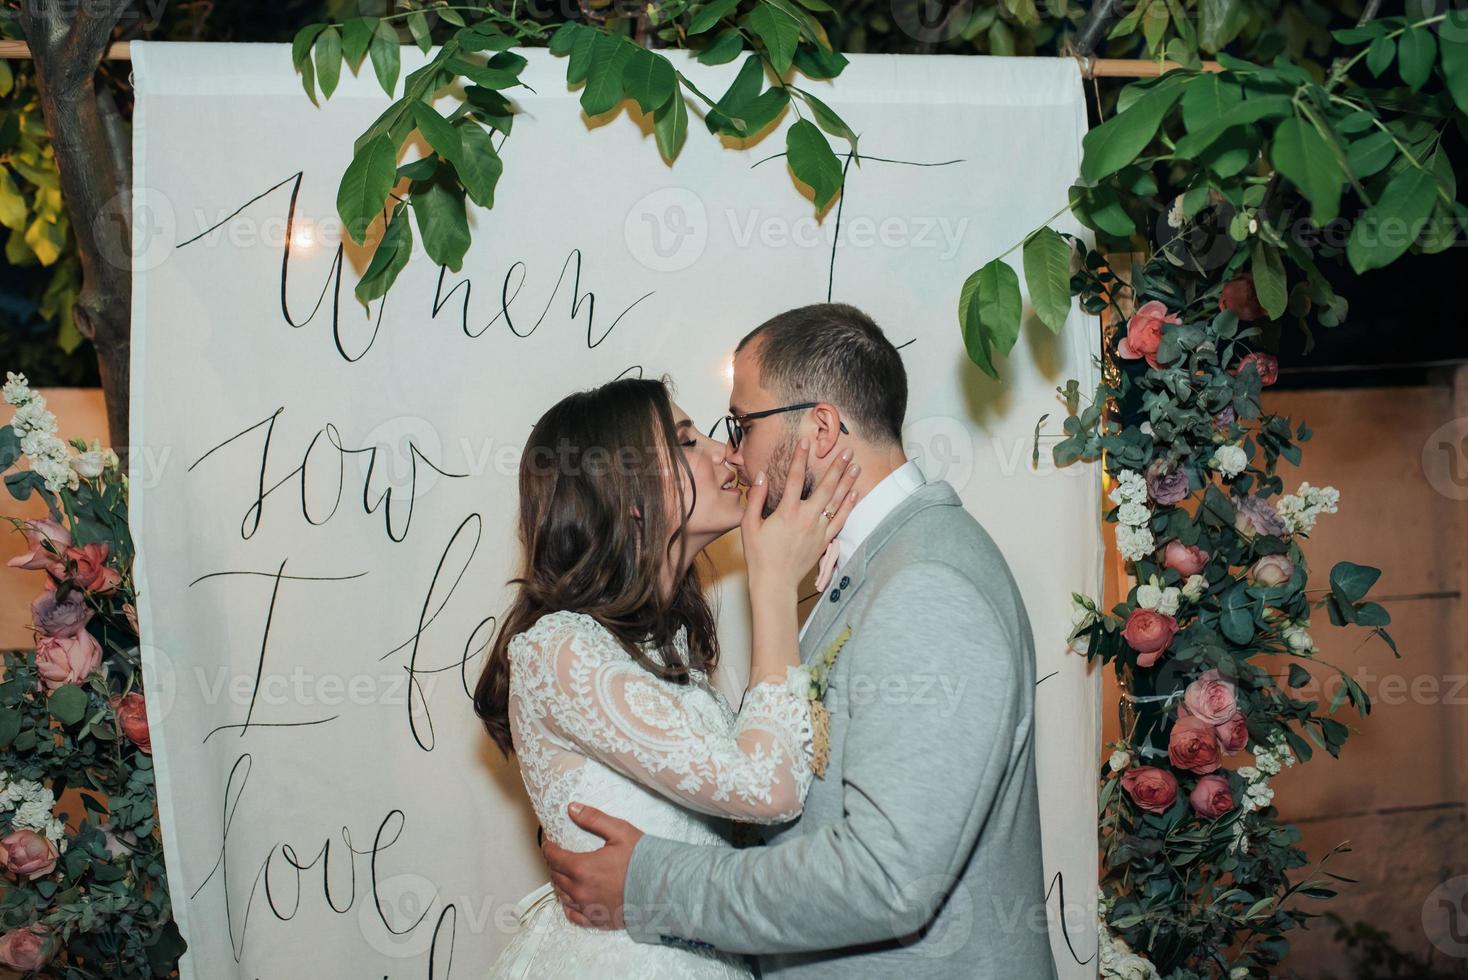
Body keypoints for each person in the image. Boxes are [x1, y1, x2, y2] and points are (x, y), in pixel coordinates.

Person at [541, 303, 1059, 979]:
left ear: (819, 428)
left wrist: (649, 882)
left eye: (740, 424)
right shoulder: (880, 570)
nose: (733, 452)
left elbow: (883, 876)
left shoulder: (925, 584)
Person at [473, 375, 860, 978]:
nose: (725, 452)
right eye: (686, 442)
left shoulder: (664, 642)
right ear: (623, 489)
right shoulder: (560, 649)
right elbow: (770, 788)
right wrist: (775, 584)